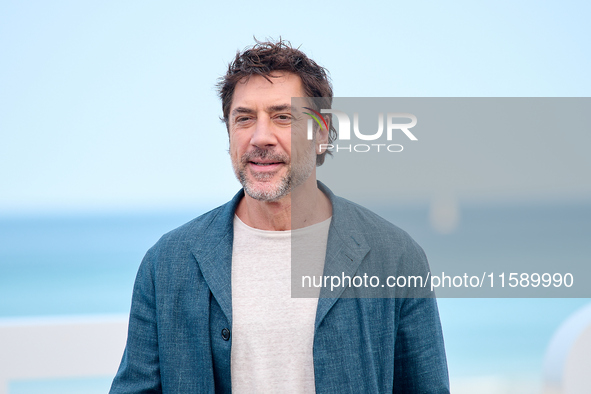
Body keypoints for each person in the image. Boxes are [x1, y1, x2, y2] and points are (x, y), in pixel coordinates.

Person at [110, 39, 449, 393]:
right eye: (244, 119)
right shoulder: (167, 263)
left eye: (282, 117)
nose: (261, 137)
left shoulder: (395, 257)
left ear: (321, 133)